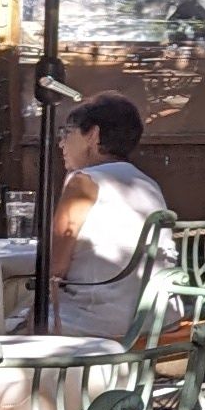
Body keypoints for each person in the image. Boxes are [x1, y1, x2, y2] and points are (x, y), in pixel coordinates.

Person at [46, 95, 168, 340]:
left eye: (67, 133)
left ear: (93, 134)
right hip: (157, 315)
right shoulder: (146, 182)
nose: (61, 143)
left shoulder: (83, 181)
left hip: (102, 318)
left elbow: (55, 267)